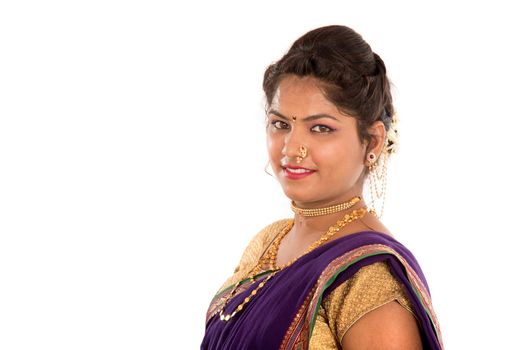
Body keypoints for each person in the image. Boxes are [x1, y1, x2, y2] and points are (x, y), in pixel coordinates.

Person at [201, 25, 443, 350]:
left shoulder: (369, 277)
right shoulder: (267, 243)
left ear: (371, 141)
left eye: (320, 128)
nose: (291, 148)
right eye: (280, 124)